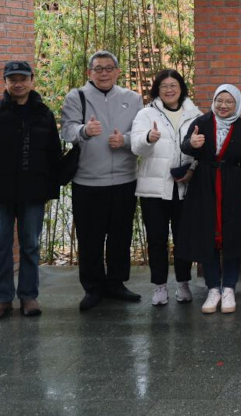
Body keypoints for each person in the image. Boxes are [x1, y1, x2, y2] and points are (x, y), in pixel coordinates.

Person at [0, 61, 62, 320]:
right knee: (0, 246)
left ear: (32, 80)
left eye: (23, 78)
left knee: (30, 246)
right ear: (5, 82)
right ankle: (1, 299)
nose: (18, 83)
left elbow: (54, 153)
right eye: (12, 79)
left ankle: (28, 296)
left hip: (32, 192)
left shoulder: (43, 113)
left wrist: (52, 187)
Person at [61, 51, 143, 311]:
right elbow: (66, 130)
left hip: (124, 180)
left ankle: (116, 283)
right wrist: (84, 130)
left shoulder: (133, 98)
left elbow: (141, 134)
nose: (104, 73)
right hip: (88, 181)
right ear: (89, 72)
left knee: (121, 236)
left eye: (109, 68)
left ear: (117, 71)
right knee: (90, 238)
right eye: (98, 69)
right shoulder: (77, 96)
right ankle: (93, 287)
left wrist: (125, 140)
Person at [179, 84, 241, 315]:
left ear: (237, 104)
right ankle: (213, 288)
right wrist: (191, 144)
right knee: (207, 235)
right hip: (204, 186)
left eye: (229, 102)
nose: (223, 105)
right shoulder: (201, 122)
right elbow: (186, 146)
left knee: (232, 237)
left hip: (233, 186)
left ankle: (229, 287)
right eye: (219, 100)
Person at [131, 69, 202, 307]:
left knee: (184, 238)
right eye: (164, 86)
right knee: (157, 239)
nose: (169, 90)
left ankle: (183, 282)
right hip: (153, 189)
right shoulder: (146, 113)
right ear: (157, 89)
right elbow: (136, 147)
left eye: (174, 85)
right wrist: (148, 138)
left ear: (181, 88)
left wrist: (192, 170)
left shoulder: (195, 115)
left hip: (184, 187)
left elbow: (203, 150)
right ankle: (160, 285)